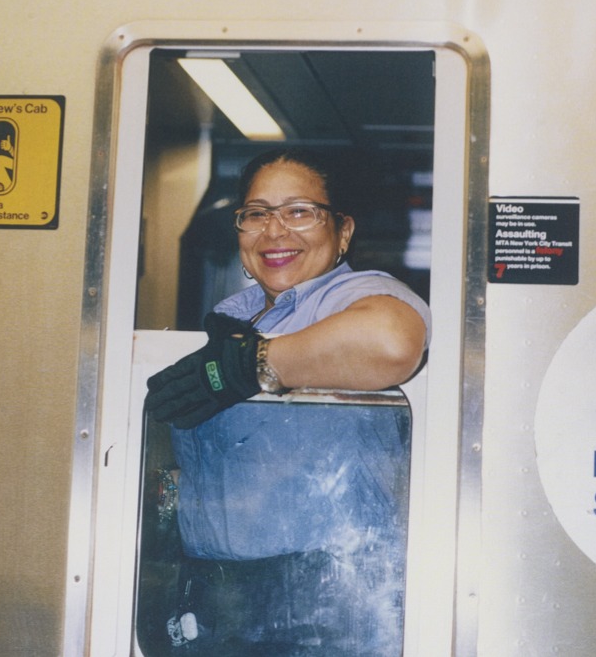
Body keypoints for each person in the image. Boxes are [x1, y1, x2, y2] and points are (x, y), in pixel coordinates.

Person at [143, 149, 431, 656]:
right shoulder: (236, 320)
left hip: (319, 606)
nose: (274, 232)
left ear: (342, 231)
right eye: (257, 214)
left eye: (300, 211)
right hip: (214, 599)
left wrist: (253, 365)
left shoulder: (351, 296)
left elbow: (390, 340)